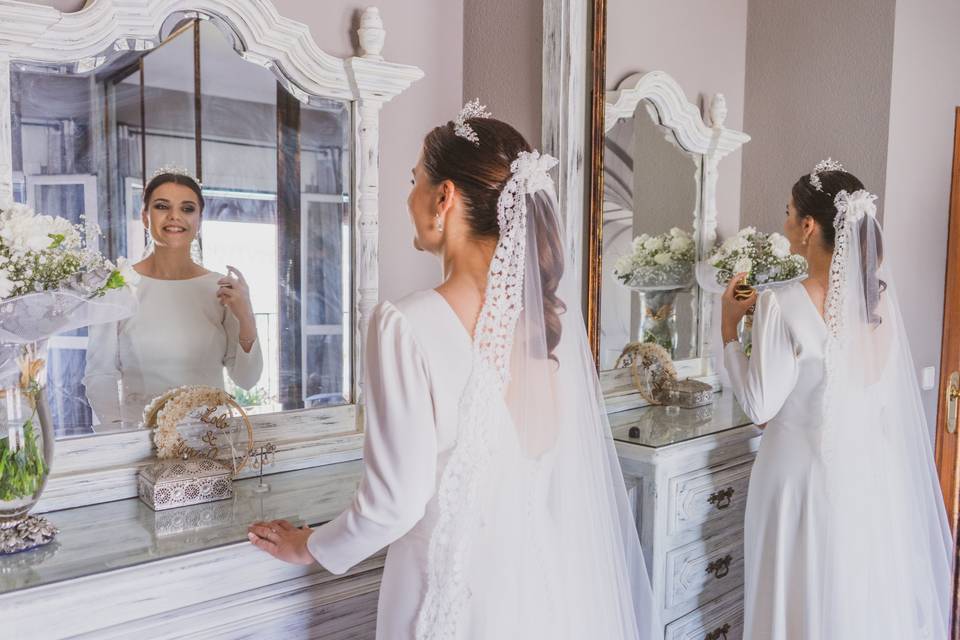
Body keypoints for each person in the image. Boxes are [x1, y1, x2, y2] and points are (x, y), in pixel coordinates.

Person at [248, 105, 656, 639]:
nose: (407, 196)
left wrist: (311, 545)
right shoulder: (542, 327)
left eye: (414, 180)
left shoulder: (404, 323)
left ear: (444, 197)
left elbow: (393, 505)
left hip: (452, 598)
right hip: (541, 593)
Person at [722, 160, 952, 639]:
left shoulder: (781, 302)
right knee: (843, 598)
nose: (784, 223)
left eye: (788, 212)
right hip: (860, 479)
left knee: (788, 594)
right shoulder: (880, 309)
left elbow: (760, 408)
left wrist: (728, 328)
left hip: (792, 483)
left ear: (808, 227)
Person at [83, 169, 262, 427]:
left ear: (199, 220)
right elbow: (100, 375)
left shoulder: (221, 289)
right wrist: (119, 439)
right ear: (145, 217)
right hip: (142, 441)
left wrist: (245, 315)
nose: (174, 216)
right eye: (162, 206)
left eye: (187, 208)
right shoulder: (118, 287)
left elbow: (247, 379)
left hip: (211, 441)